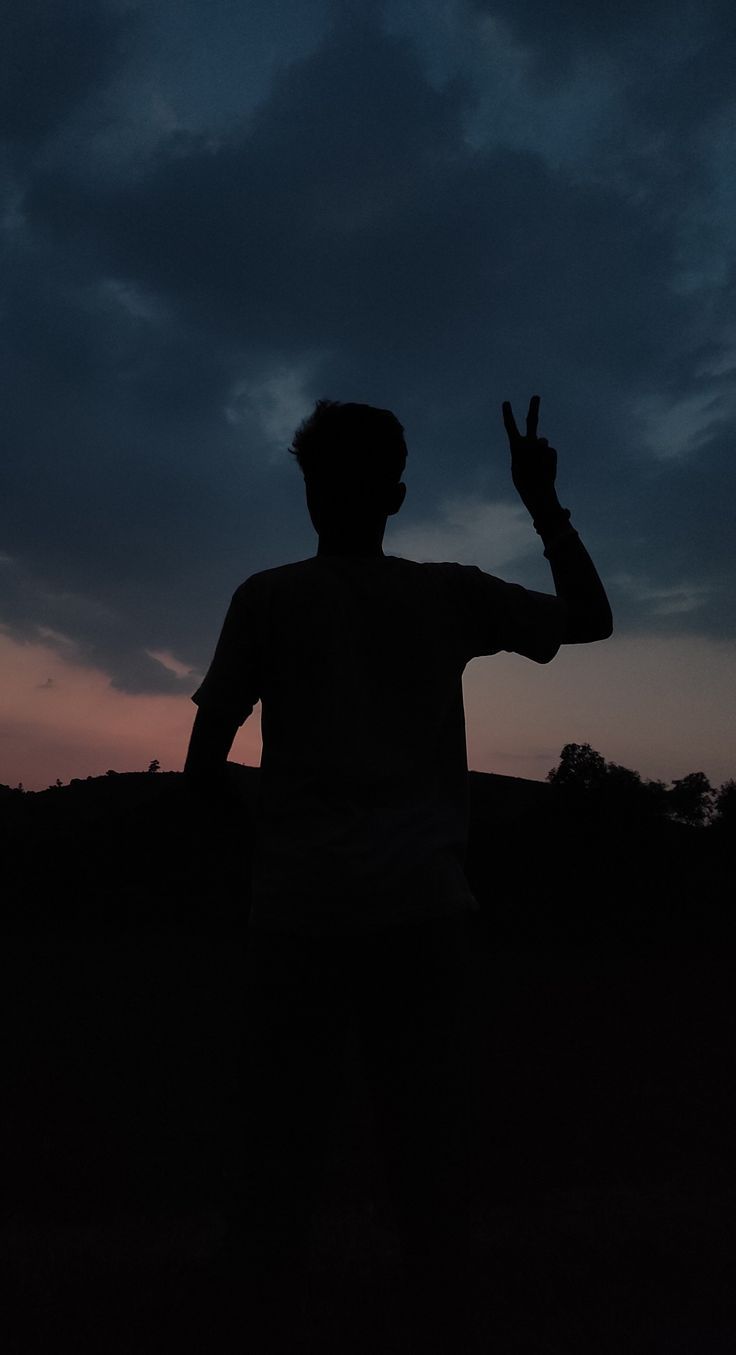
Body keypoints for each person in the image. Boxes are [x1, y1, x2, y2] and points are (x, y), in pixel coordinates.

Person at [184, 395, 612, 1351]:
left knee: (279, 1163)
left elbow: (202, 772)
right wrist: (543, 504)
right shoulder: (444, 593)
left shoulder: (267, 597)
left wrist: (272, 829)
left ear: (309, 496)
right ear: (400, 497)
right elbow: (591, 618)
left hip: (297, 915)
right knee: (427, 1162)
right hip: (422, 914)